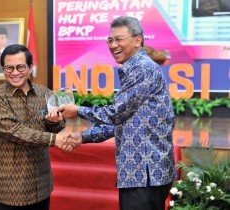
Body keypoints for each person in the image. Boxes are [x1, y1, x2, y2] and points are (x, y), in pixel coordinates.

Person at [58, 16, 176, 210]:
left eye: (119, 39)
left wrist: (77, 110)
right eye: (110, 40)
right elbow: (122, 121)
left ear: (137, 40)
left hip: (145, 173)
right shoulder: (135, 68)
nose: (113, 45)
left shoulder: (143, 68)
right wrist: (82, 136)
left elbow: (116, 113)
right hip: (140, 174)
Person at [0, 44, 76, 210]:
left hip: (41, 185)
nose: (15, 72)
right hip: (9, 189)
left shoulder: (44, 93)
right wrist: (55, 139)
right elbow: (13, 131)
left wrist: (53, 122)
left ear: (30, 67)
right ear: (3, 68)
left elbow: (57, 127)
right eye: (9, 68)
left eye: (20, 67)